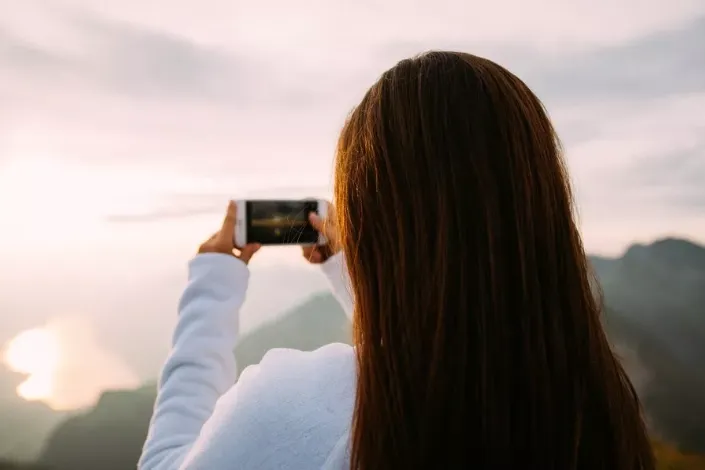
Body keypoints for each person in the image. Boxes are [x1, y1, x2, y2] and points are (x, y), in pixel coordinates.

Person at [138, 51, 655, 470]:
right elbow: (433, 350)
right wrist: (353, 272)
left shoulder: (294, 409)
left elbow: (166, 463)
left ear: (372, 223)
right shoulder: (592, 406)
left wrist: (213, 282)